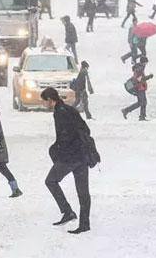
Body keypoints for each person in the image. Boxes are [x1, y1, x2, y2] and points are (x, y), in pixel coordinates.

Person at [41, 87, 92, 234]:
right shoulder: (70, 109)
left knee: (50, 181)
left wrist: (58, 150)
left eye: (45, 102)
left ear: (51, 100)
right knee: (83, 191)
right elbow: (85, 129)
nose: (44, 105)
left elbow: (65, 136)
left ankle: (67, 211)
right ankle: (84, 223)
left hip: (70, 157)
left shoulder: (60, 113)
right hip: (82, 155)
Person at [121, 57, 152, 121]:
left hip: (140, 87)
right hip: (140, 88)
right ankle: (141, 116)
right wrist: (149, 77)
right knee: (143, 102)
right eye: (146, 62)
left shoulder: (138, 67)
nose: (146, 64)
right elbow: (139, 79)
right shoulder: (140, 69)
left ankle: (126, 111)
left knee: (141, 102)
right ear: (144, 62)